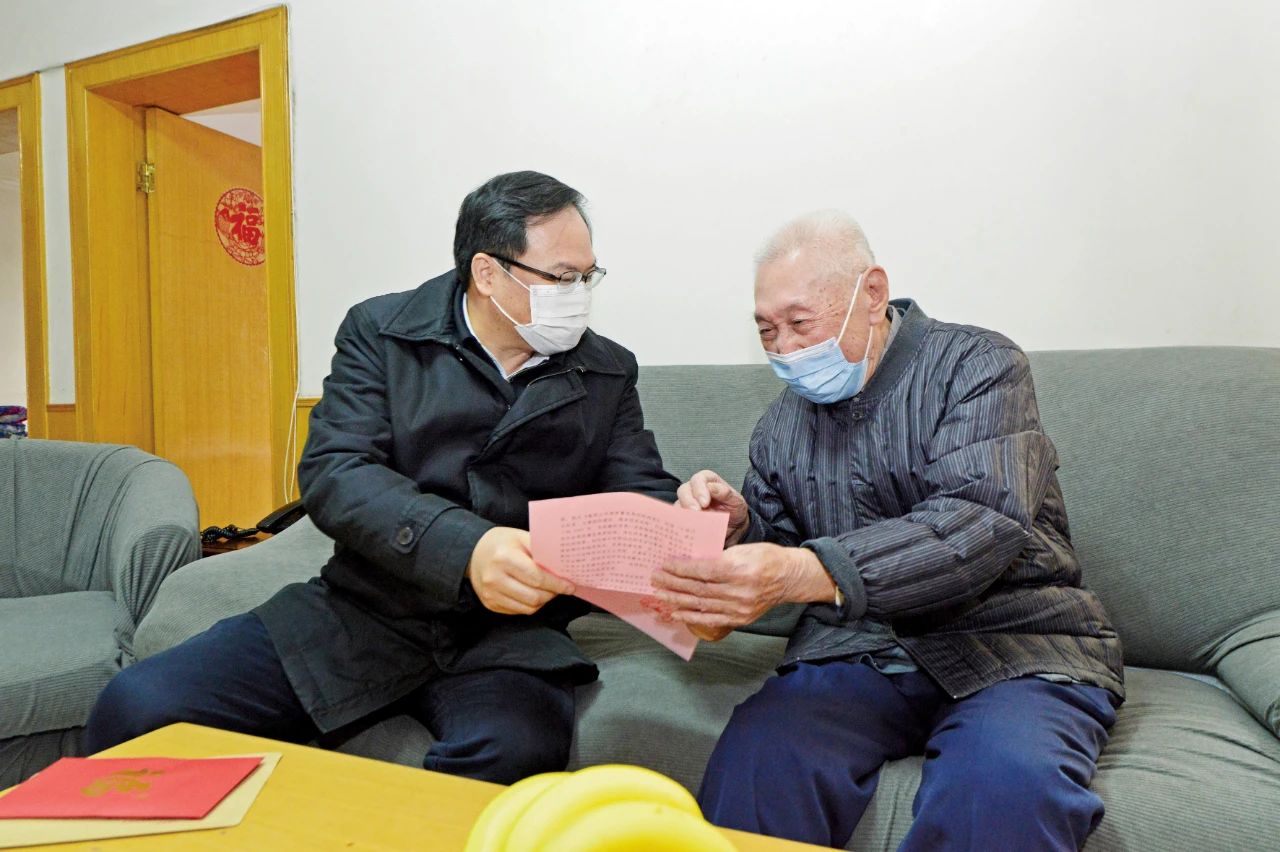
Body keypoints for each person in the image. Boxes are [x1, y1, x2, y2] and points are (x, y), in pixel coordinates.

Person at [85, 171, 679, 783]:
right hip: (368, 608)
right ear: (487, 273)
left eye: (588, 277)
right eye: (562, 277)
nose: (578, 294)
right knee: (139, 705)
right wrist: (467, 548)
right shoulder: (382, 332)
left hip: (509, 635)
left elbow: (639, 497)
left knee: (514, 753)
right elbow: (336, 472)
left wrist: (699, 517)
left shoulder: (608, 371)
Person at [648, 211, 1124, 850]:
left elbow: (979, 519)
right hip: (862, 650)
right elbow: (785, 554)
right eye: (766, 331)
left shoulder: (978, 365)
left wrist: (808, 570)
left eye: (800, 324)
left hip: (1015, 644)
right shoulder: (779, 428)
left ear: (871, 294)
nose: (784, 350)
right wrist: (739, 529)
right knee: (760, 760)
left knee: (1001, 788)